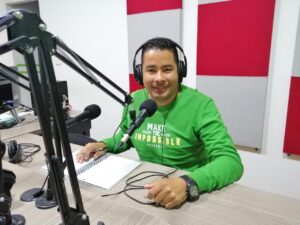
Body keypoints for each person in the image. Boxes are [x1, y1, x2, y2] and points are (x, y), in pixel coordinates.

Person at [77, 37, 243, 209]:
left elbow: (231, 161)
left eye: (167, 69)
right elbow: (125, 137)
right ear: (140, 74)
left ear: (180, 71)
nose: (159, 78)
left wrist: (187, 183)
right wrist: (103, 144)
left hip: (188, 194)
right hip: (145, 188)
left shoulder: (201, 105)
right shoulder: (134, 100)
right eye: (151, 70)